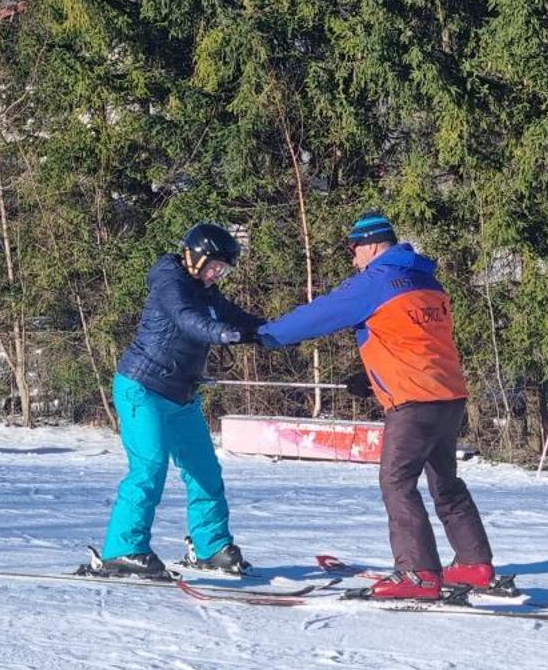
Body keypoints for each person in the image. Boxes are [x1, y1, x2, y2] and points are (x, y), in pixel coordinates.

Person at [257, 211, 497, 601]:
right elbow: (415, 343)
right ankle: (474, 563)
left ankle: (417, 574)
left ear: (370, 244)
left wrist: (265, 335)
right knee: (445, 484)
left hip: (413, 403)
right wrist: (372, 380)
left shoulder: (376, 280)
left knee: (397, 482)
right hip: (448, 396)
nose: (353, 259)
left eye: (353, 250)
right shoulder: (427, 279)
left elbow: (320, 314)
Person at [83, 222, 265, 580]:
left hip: (182, 395)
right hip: (142, 389)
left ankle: (212, 547)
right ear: (194, 257)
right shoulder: (171, 282)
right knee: (149, 469)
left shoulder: (206, 291)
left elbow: (235, 317)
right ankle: (123, 549)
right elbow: (186, 320)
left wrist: (274, 331)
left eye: (223, 271)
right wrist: (221, 333)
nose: (218, 275)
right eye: (215, 267)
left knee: (205, 472)